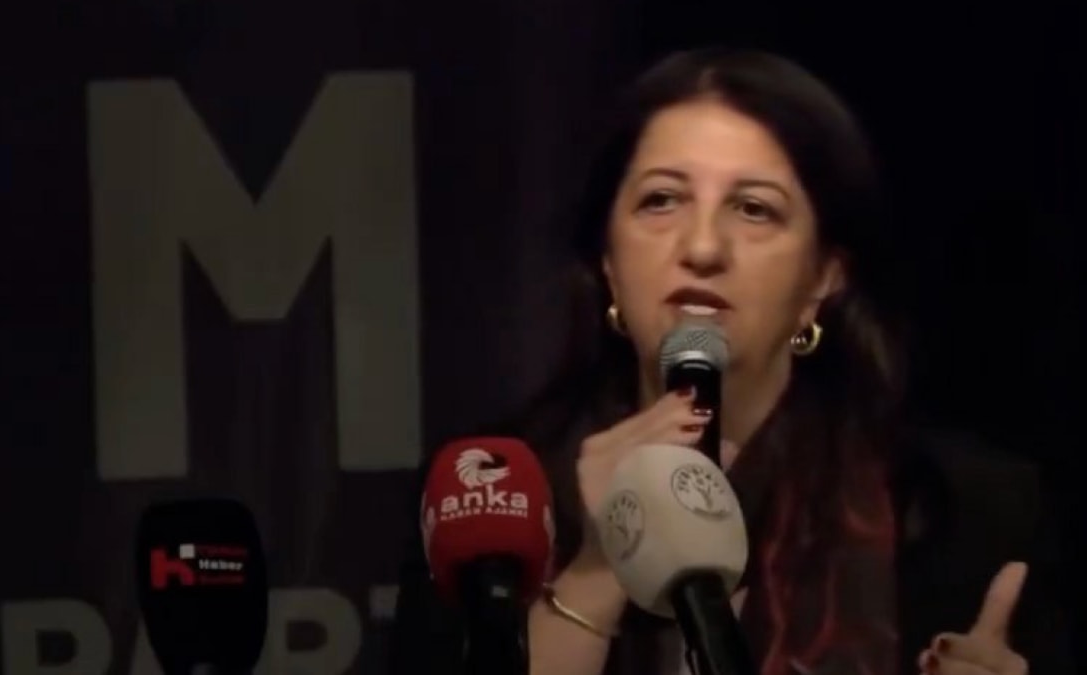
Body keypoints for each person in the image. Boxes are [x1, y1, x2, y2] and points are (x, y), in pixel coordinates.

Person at [388, 47, 1076, 675]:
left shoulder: (967, 511)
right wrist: (599, 567)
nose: (703, 247)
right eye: (661, 200)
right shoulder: (491, 500)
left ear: (823, 278)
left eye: (753, 209)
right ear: (608, 262)